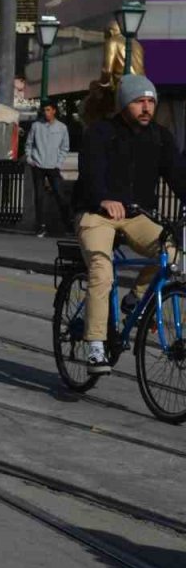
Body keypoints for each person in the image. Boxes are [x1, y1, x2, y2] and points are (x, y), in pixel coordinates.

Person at [75, 76, 186, 375]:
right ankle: (96, 344)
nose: (147, 108)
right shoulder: (101, 132)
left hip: (137, 215)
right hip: (97, 213)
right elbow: (90, 173)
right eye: (139, 102)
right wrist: (103, 199)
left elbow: (178, 177)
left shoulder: (161, 138)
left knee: (172, 255)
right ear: (124, 104)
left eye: (151, 102)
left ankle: (135, 298)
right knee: (101, 269)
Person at [26, 100, 71, 237]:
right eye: (44, 110)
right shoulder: (36, 126)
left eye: (48, 110)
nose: (46, 113)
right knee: (39, 197)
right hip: (38, 165)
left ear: (54, 111)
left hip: (53, 166)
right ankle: (40, 227)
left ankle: (67, 225)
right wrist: (30, 159)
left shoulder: (62, 128)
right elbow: (29, 144)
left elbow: (65, 147)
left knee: (60, 195)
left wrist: (58, 163)